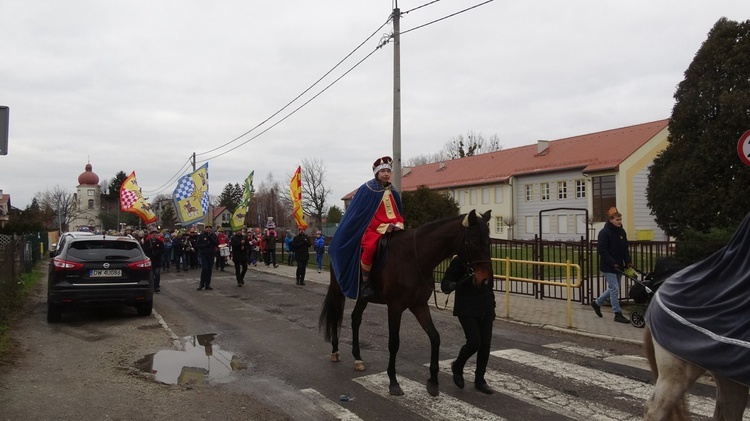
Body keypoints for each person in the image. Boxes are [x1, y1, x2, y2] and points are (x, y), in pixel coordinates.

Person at [328, 155, 404, 299]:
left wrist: (398, 223)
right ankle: (365, 283)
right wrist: (384, 227)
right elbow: (364, 216)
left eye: (388, 171)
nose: (386, 174)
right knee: (370, 248)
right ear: (377, 173)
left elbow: (397, 212)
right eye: (383, 171)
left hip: (394, 227)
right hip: (373, 228)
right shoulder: (368, 189)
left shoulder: (393, 191)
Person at [441, 256, 496, 394]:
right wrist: (453, 284)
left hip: (486, 307)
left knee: (485, 344)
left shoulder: (485, 261)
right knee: (474, 342)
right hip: (467, 308)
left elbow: (490, 285)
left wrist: (492, 307)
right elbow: (445, 284)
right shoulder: (459, 261)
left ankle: (480, 380)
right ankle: (458, 367)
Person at [591, 207, 632, 324]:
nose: (620, 221)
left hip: (619, 265)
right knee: (614, 288)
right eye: (617, 220)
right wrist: (612, 262)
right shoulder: (604, 233)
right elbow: (602, 250)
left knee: (614, 288)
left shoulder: (622, 232)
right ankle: (617, 313)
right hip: (608, 266)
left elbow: (625, 248)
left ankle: (597, 303)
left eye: (620, 219)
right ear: (611, 220)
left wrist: (627, 261)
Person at [195, 225, 219, 290]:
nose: (208, 229)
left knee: (209, 269)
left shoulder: (214, 235)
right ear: (205, 229)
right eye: (207, 228)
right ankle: (201, 283)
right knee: (205, 268)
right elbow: (197, 244)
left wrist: (210, 238)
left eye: (210, 228)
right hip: (204, 254)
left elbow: (217, 243)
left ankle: (207, 284)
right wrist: (205, 245)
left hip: (211, 254)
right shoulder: (202, 235)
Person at [142, 229, 165, 293]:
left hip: (157, 260)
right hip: (150, 261)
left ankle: (156, 286)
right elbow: (144, 250)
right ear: (150, 235)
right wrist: (150, 249)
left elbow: (163, 249)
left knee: (157, 274)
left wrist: (157, 252)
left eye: (155, 234)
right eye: (153, 234)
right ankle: (151, 286)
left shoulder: (159, 242)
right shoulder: (147, 242)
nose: (154, 235)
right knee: (151, 275)